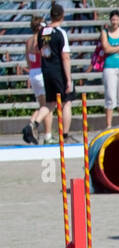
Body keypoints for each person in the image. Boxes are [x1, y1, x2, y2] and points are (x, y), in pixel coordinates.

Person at [39, 3, 74, 143]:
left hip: (46, 69)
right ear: (62, 15)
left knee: (50, 102)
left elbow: (40, 49)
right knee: (66, 102)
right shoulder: (60, 33)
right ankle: (64, 134)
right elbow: (65, 57)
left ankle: (33, 122)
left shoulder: (42, 32)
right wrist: (69, 79)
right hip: (58, 70)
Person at [22, 16, 53, 144]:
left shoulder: (28, 41)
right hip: (41, 71)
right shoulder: (39, 40)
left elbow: (28, 61)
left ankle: (33, 126)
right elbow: (46, 54)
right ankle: (47, 134)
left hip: (33, 72)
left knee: (42, 105)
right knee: (48, 106)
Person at [100, 10, 119, 128]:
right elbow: (106, 49)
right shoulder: (105, 32)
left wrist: (114, 48)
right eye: (113, 19)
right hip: (109, 67)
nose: (115, 22)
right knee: (110, 96)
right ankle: (109, 124)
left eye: (117, 19)